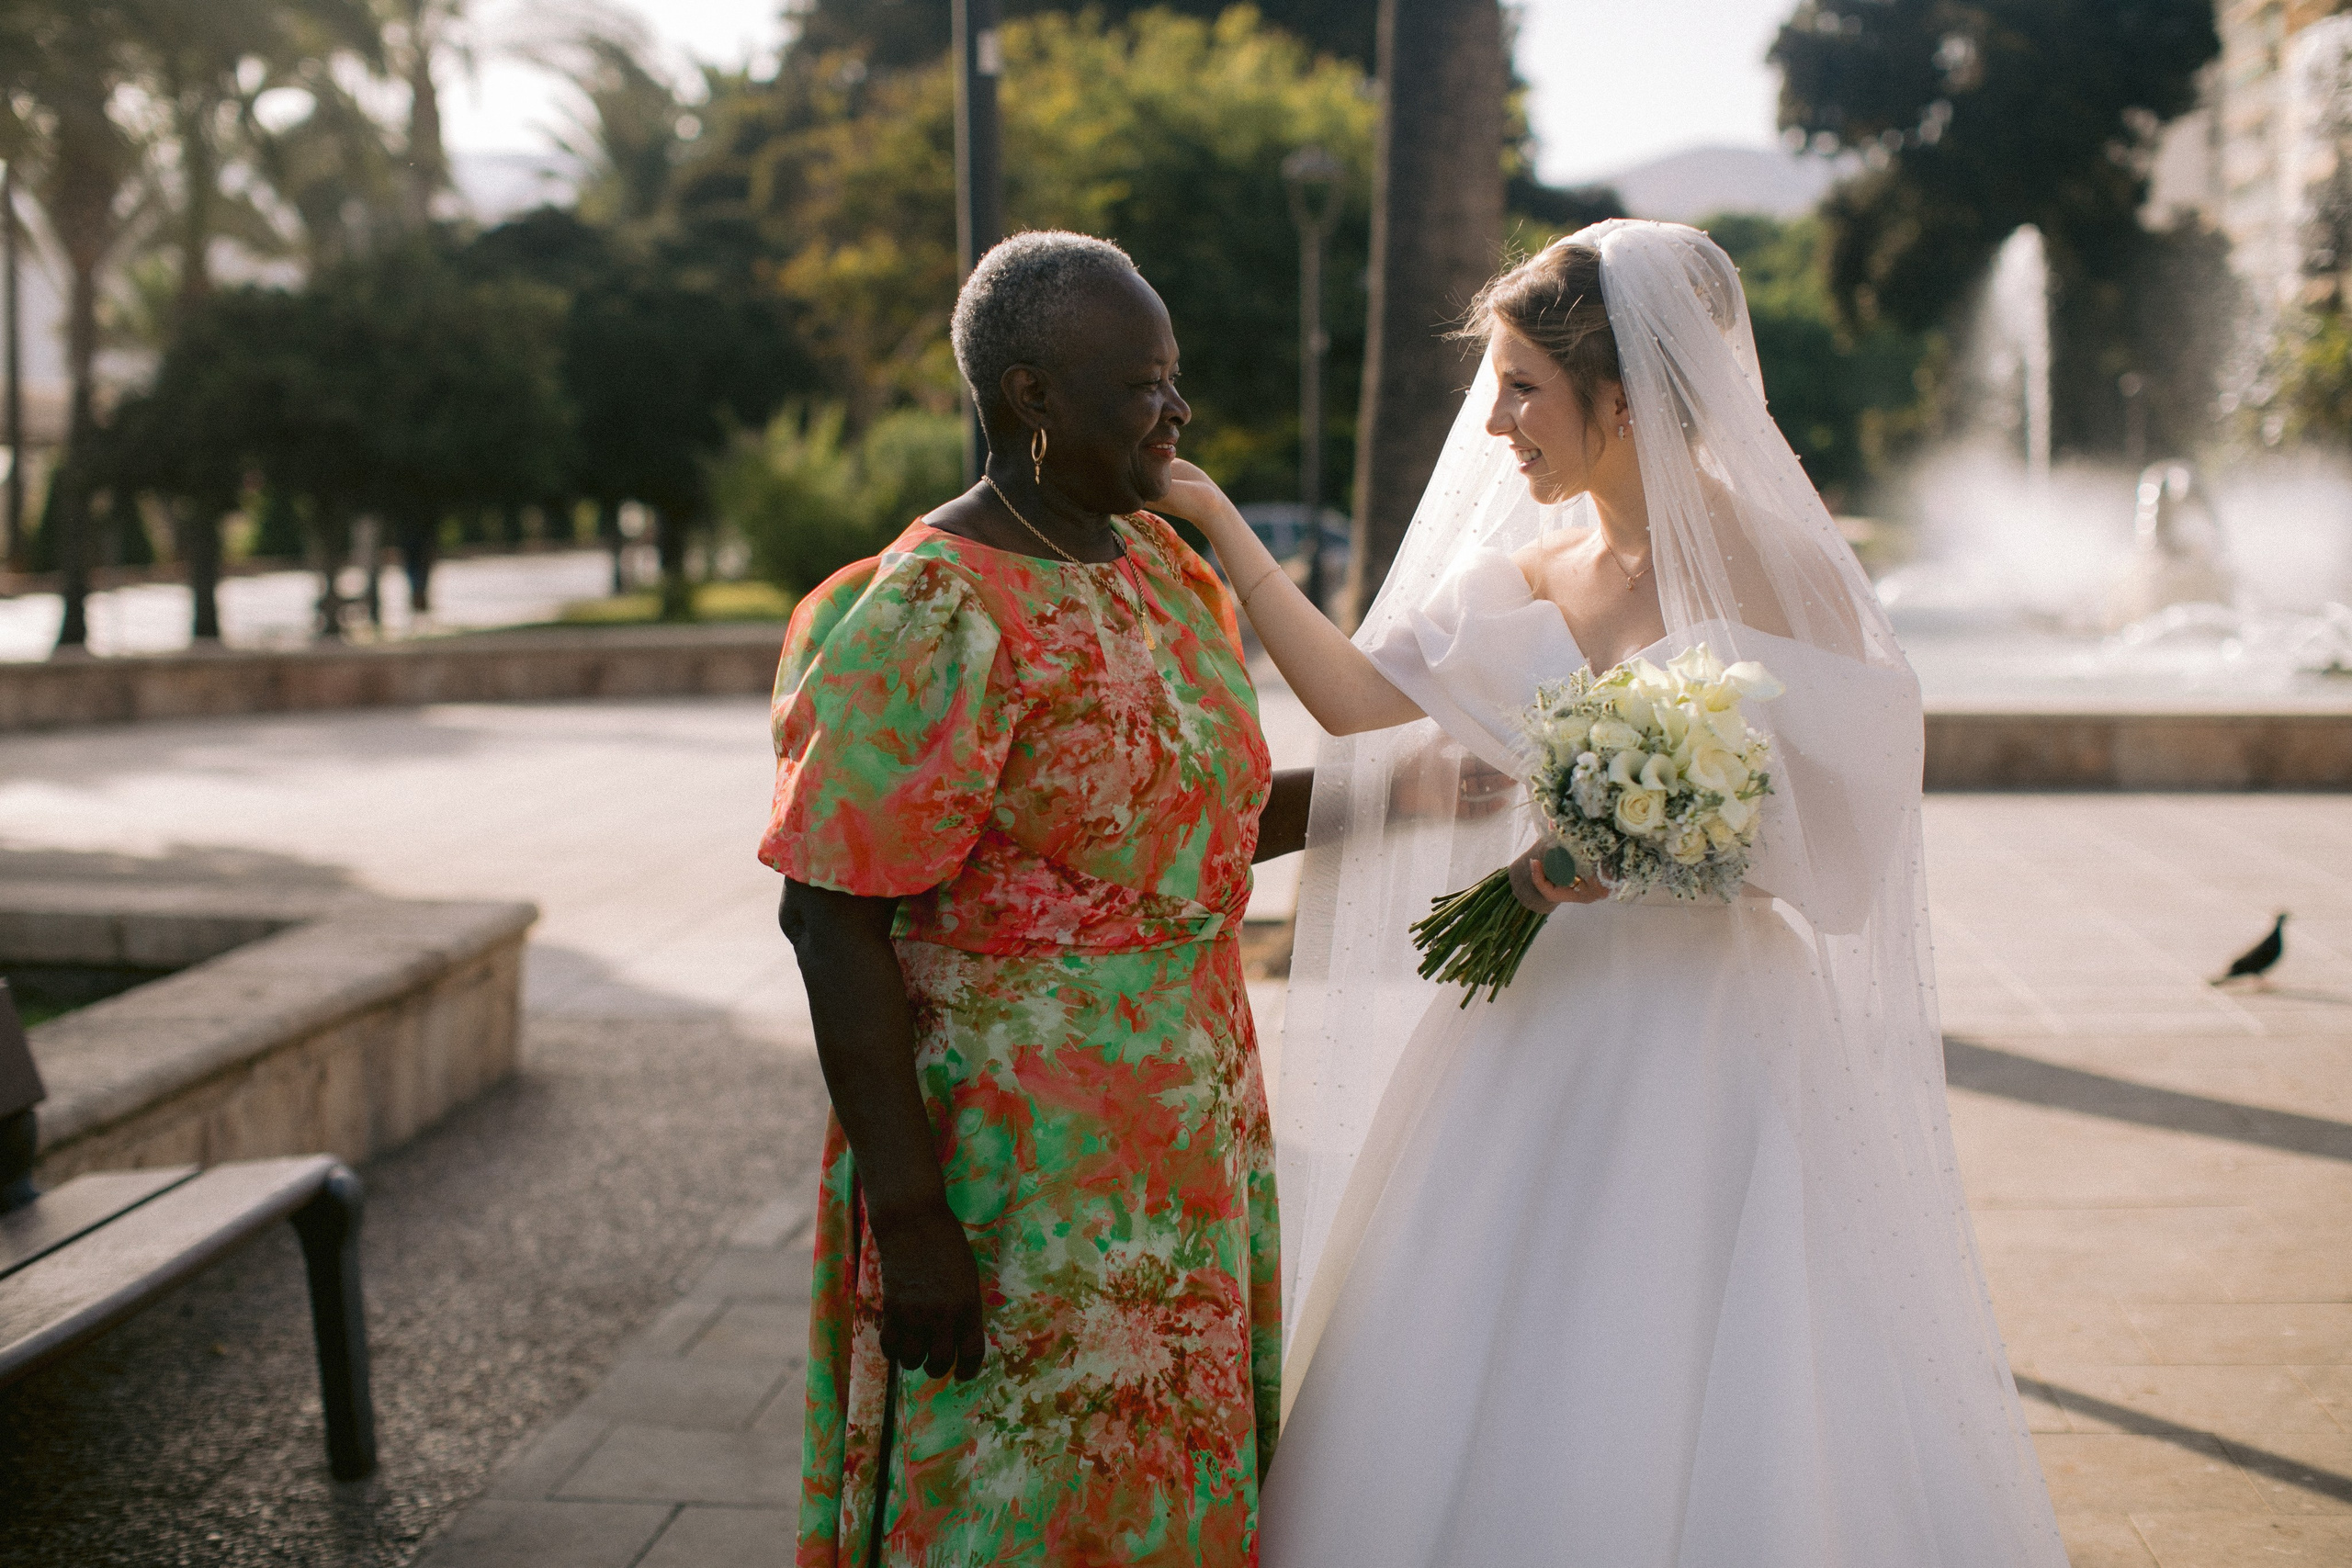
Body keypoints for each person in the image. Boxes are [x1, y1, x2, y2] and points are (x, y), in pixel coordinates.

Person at [1159, 220, 2068, 1565]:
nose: (1497, 426)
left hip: (1723, 1024)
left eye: (1524, 388)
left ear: (1627, 393)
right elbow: (1352, 702)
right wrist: (1220, 528)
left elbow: (1859, 790)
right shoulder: (1520, 579)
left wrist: (1672, 837)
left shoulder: (1792, 568)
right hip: (1539, 1016)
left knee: (1734, 1325)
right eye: (1499, 387)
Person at [762, 230, 1309, 1568]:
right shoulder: (936, 606)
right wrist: (913, 1218)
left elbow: (1195, 823)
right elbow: (829, 915)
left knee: (1160, 1496)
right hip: (1012, 1178)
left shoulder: (1163, 570)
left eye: (1176, 379)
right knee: (1007, 1498)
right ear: (1033, 399)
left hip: (1181, 1151)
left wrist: (1413, 797)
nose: (1176, 413)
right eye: (1143, 387)